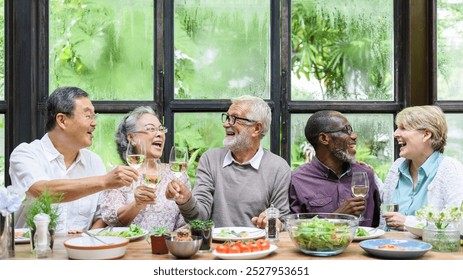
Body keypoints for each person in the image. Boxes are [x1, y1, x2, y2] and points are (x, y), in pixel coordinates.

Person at [9, 87, 139, 233]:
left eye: (94, 117)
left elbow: (100, 216)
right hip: (31, 252)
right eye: (88, 116)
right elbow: (43, 191)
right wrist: (104, 181)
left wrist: (86, 237)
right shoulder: (26, 154)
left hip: (79, 252)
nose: (94, 123)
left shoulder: (94, 162)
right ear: (62, 120)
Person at [166, 95, 291, 230]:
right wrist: (186, 200)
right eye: (227, 117)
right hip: (216, 248)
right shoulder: (210, 160)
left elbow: (282, 222)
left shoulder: (278, 168)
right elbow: (199, 218)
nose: (226, 124)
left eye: (234, 118)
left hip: (257, 248)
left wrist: (273, 223)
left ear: (256, 129)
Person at [99, 106, 186, 231]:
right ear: (131, 138)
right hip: (129, 248)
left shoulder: (177, 174)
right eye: (150, 129)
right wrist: (137, 204)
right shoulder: (119, 175)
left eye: (161, 129)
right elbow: (111, 219)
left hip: (166, 248)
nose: (159, 134)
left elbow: (186, 222)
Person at [289, 110, 381, 227]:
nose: (354, 136)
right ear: (324, 138)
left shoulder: (365, 174)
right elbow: (297, 231)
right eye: (346, 131)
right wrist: (337, 218)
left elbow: (374, 224)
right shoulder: (298, 180)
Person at [381, 105, 463, 231]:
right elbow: (384, 223)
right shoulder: (397, 166)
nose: (396, 133)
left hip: (430, 251)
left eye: (403, 128)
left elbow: (458, 225)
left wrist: (408, 223)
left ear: (426, 134)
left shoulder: (450, 170)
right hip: (388, 248)